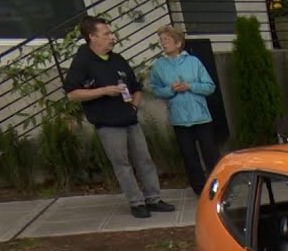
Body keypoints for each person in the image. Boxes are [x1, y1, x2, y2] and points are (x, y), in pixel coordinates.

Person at [64, 16, 172, 219]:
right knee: (122, 164)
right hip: (107, 124)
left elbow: (136, 88)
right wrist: (104, 90)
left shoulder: (118, 59)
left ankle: (154, 199)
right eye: (107, 34)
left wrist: (133, 106)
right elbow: (72, 94)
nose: (112, 37)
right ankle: (136, 202)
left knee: (144, 160)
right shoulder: (83, 61)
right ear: (92, 37)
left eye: (111, 33)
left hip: (129, 119)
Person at [149, 25, 220, 196]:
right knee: (189, 157)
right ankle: (200, 191)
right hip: (179, 118)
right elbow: (156, 90)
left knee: (211, 156)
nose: (163, 44)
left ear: (178, 42)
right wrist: (171, 89)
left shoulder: (194, 62)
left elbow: (209, 87)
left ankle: (220, 187)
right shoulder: (158, 66)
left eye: (166, 40)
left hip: (201, 116)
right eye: (161, 41)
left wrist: (189, 86)